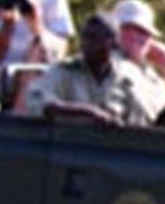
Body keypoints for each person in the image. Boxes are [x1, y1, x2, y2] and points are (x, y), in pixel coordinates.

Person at [19, 14, 156, 127]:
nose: (86, 44)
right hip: (68, 147)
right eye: (84, 38)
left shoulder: (126, 78)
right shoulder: (65, 71)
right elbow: (36, 101)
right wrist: (86, 112)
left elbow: (143, 120)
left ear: (113, 44)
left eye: (95, 39)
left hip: (112, 151)